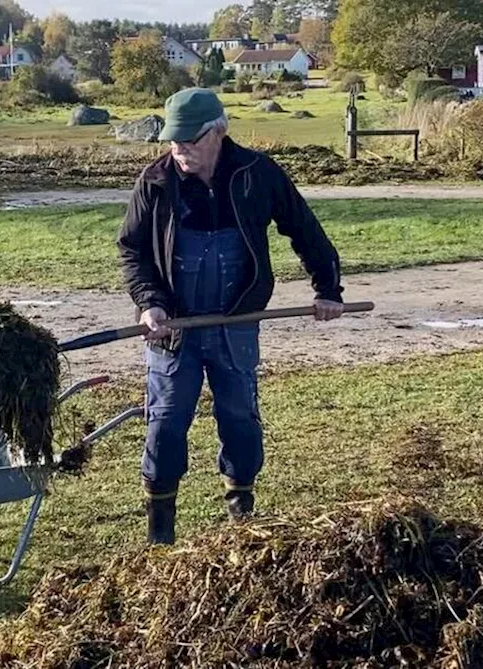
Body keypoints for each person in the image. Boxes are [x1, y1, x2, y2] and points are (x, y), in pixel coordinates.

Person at [116, 88, 345, 545]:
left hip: (235, 323)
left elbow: (304, 228)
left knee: (240, 421)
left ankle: (242, 523)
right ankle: (159, 537)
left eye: (189, 141)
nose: (179, 151)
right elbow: (132, 250)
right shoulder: (156, 181)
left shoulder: (256, 174)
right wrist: (149, 302)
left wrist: (327, 290)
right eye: (173, 141)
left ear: (218, 131)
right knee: (164, 426)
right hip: (174, 330)